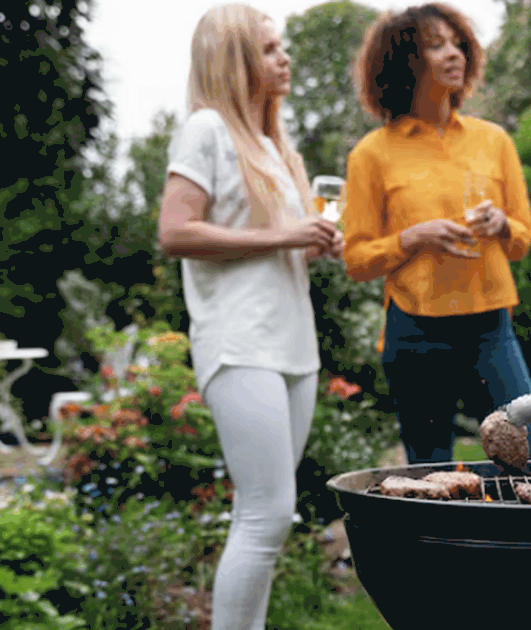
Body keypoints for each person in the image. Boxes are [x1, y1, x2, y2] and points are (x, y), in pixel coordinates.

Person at [158, 5, 340, 629]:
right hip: (240, 343)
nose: (284, 58)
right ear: (234, 61)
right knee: (267, 513)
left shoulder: (271, 146)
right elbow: (176, 231)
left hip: (293, 345)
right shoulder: (205, 129)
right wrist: (286, 235)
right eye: (268, 49)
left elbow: (273, 246)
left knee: (264, 517)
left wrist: (311, 242)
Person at [342, 4, 531, 465]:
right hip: (415, 330)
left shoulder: (493, 141)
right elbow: (356, 261)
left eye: (458, 44)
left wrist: (501, 225)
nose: (454, 54)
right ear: (404, 62)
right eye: (436, 46)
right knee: (430, 473)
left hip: (490, 326)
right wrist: (412, 238)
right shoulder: (371, 155)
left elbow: (521, 241)